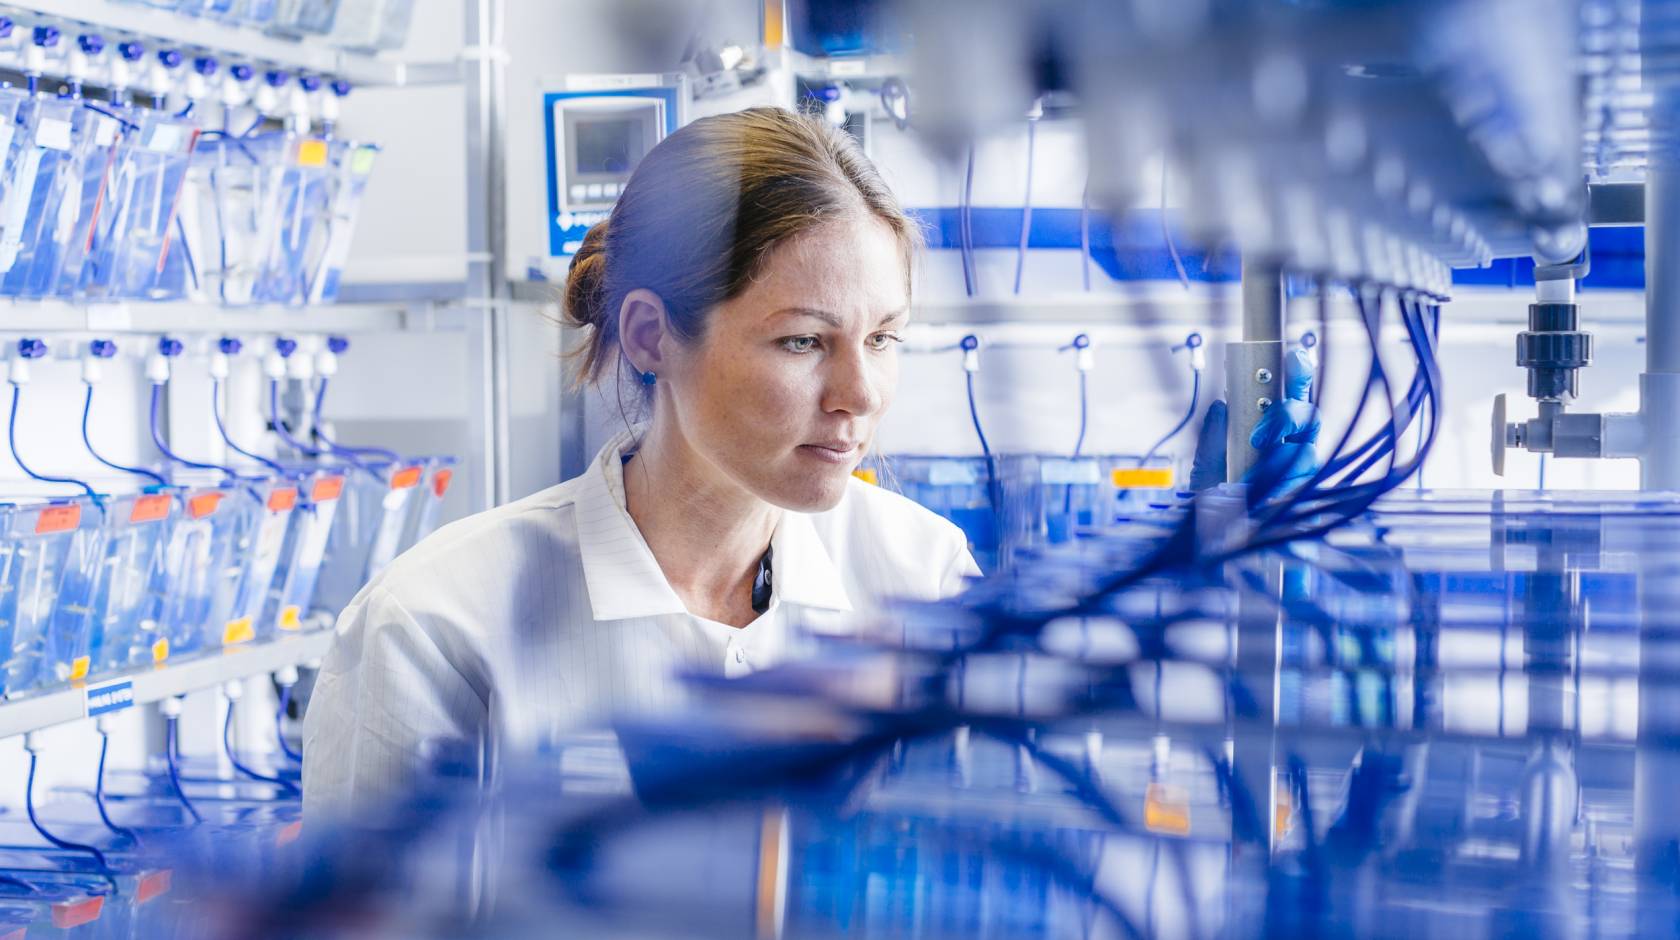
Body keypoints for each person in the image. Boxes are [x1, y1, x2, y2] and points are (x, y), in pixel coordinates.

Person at [303, 107, 980, 816]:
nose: (859, 396)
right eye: (803, 342)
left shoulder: (923, 577)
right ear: (651, 336)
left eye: (882, 339)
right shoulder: (437, 625)